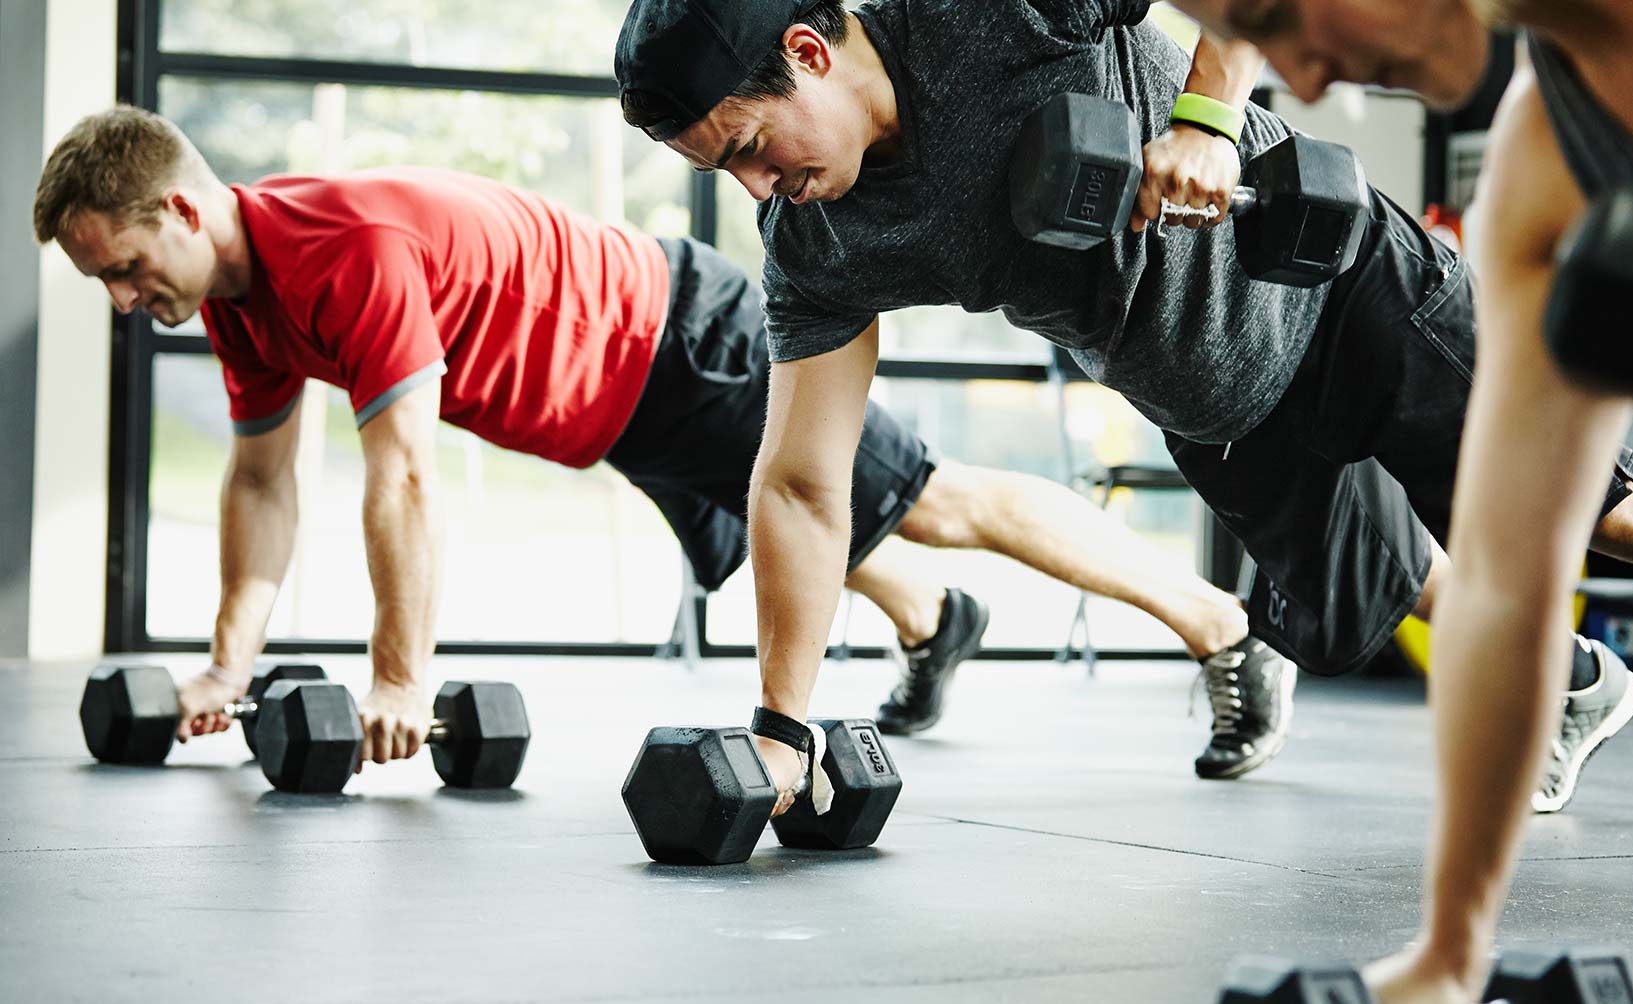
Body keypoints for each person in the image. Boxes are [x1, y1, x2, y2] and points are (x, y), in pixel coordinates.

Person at [612, 0, 1633, 826]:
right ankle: (1570, 683)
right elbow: (798, 481)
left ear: (809, 51)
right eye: (726, 174)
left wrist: (1203, 114)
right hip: (1218, 411)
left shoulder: (983, 11)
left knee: (1612, 514)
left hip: (1348, 300)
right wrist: (781, 728)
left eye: (749, 147)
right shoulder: (821, 239)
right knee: (1350, 613)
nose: (758, 185)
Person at [33, 104, 1266, 765]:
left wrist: (401, 677)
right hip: (621, 409)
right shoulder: (239, 301)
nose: (131, 303)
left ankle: (1221, 628)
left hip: (679, 340)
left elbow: (401, 476)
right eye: (109, 286)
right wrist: (226, 666)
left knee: (930, 498)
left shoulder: (342, 253)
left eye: (131, 269)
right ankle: (934, 621)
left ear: (185, 207)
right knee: (830, 525)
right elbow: (260, 484)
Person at [1160, 0, 1633, 1004]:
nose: (1302, 84)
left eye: (1278, 17)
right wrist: (1449, 953)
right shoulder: (1544, 172)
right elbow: (1501, 574)